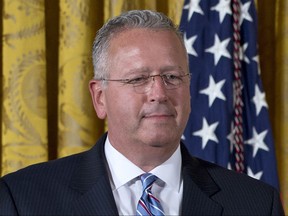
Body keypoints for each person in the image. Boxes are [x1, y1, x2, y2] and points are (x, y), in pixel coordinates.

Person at [0, 10, 284, 216]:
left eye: (172, 77)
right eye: (137, 79)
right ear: (100, 98)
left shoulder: (257, 203)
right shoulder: (22, 200)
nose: (159, 93)